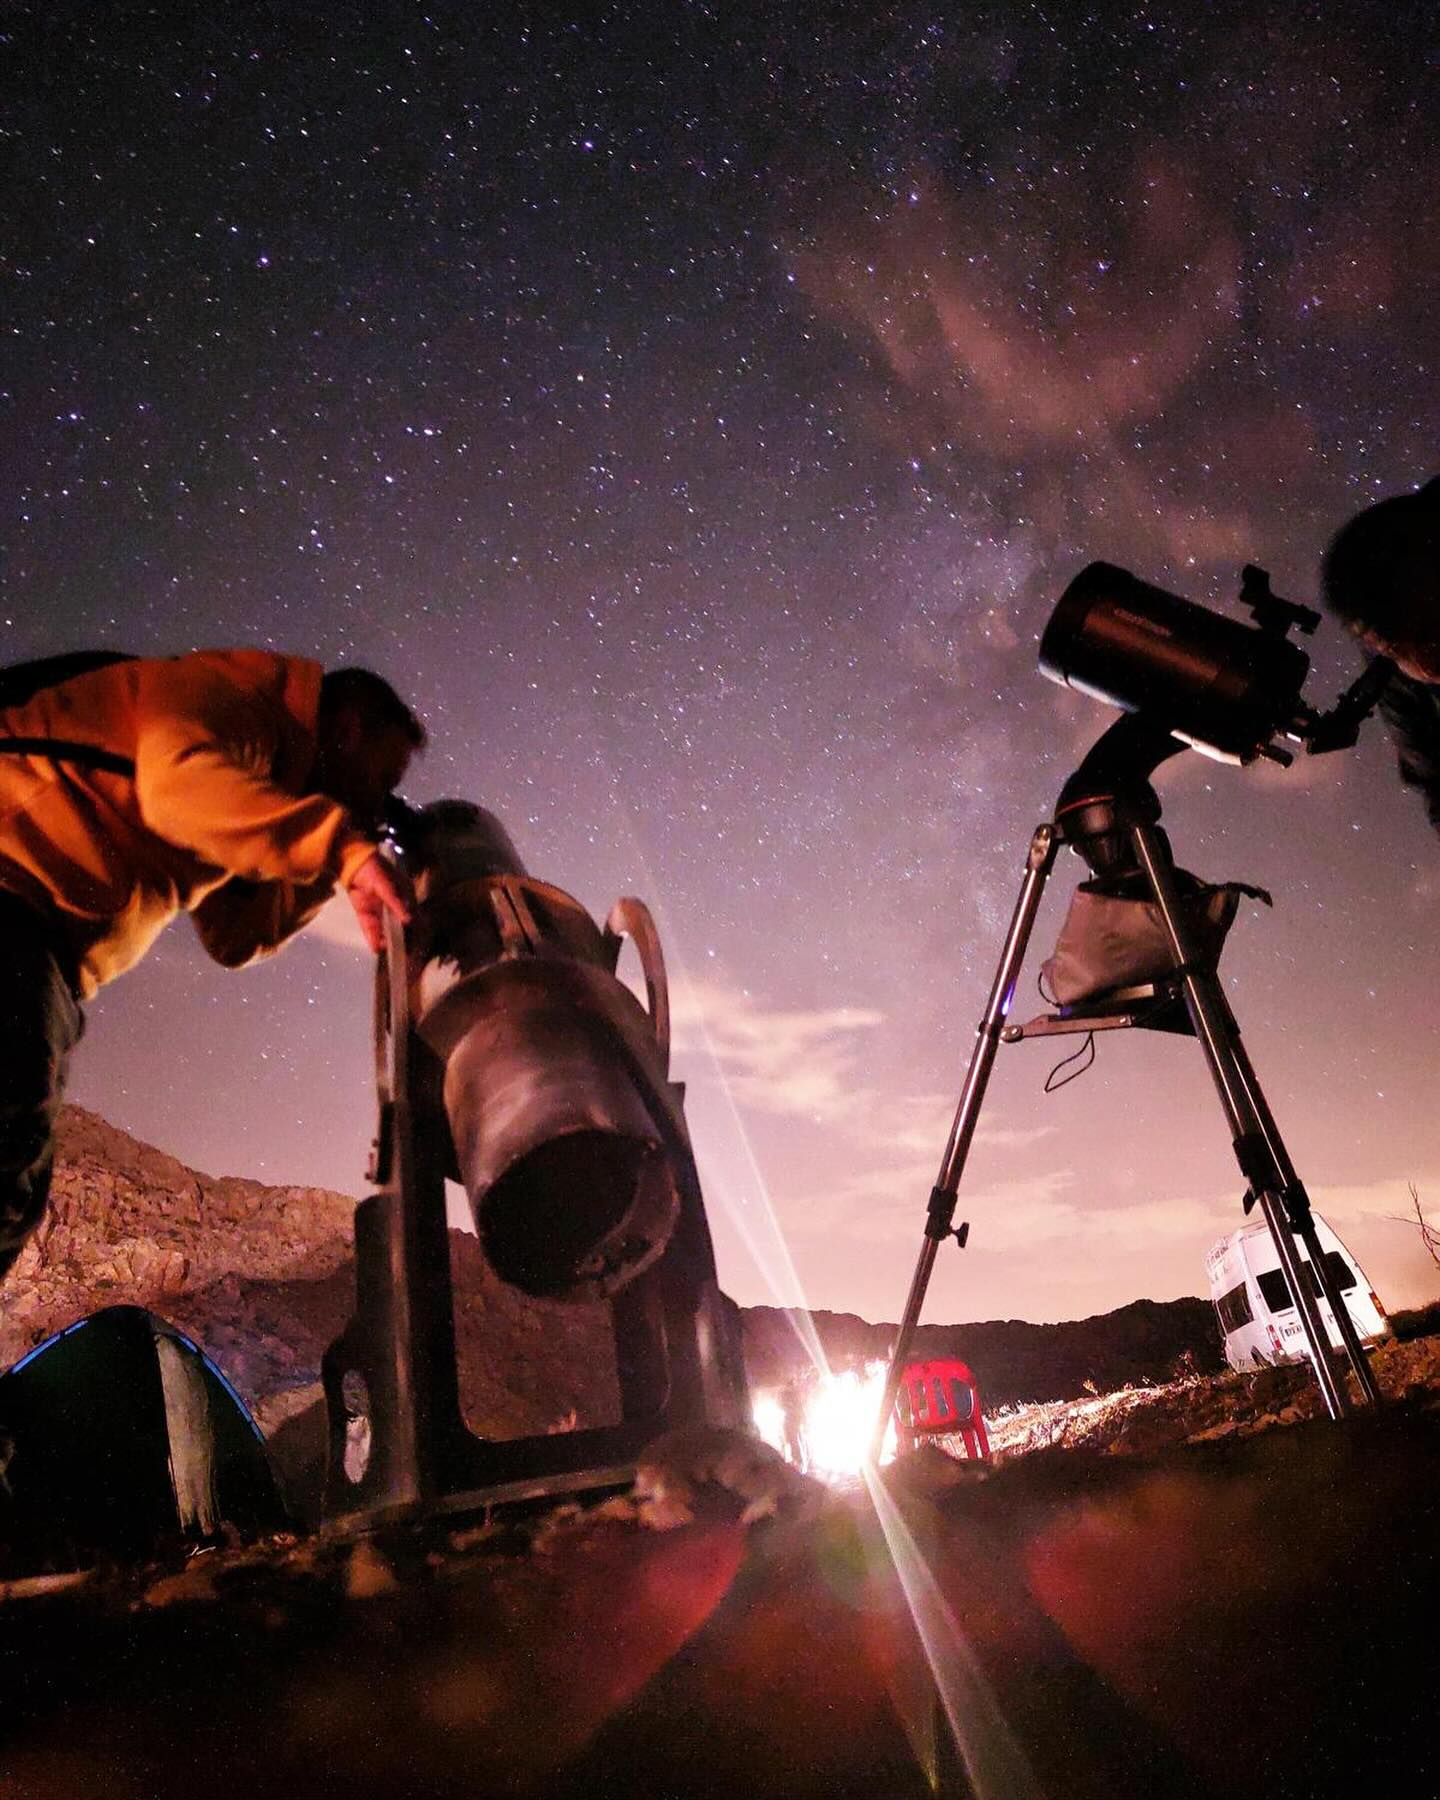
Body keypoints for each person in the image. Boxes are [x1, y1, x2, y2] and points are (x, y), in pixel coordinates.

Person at [0, 649, 424, 1280]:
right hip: (12, 899)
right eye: (381, 779)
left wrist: (325, 862)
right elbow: (176, 789)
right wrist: (337, 845)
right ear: (349, 727)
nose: (378, 805)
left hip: (44, 954)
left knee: (14, 1184)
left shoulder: (260, 795)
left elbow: (235, 936)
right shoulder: (240, 695)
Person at [1321, 476, 1440, 830]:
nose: (1427, 665)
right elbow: (1435, 777)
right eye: (1397, 648)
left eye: (1429, 635)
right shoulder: (1397, 683)